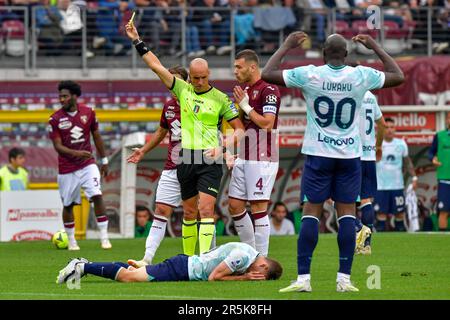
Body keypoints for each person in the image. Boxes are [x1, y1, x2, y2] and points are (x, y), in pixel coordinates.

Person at [262, 31, 405, 293]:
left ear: (323, 54)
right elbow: (398, 75)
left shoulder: (310, 73)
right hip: (350, 156)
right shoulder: (360, 75)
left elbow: (267, 73)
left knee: (311, 213)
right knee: (347, 214)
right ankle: (344, 279)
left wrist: (287, 44)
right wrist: (373, 46)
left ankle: (304, 279)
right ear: (347, 55)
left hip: (318, 154)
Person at [124, 21, 245, 255]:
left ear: (208, 74)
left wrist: (223, 147)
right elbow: (156, 66)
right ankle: (190, 260)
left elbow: (240, 130)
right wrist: (136, 40)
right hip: (185, 158)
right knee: (189, 213)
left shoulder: (221, 98)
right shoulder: (183, 90)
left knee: (207, 210)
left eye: (203, 77)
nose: (199, 82)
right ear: (190, 77)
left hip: (210, 159)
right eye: (196, 78)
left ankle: (206, 257)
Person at [127, 66, 201, 266]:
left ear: (187, 82)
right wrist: (143, 150)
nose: (171, 84)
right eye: (169, 80)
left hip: (196, 166)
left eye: (175, 80)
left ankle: (202, 257)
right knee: (160, 210)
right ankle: (147, 258)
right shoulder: (168, 106)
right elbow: (161, 132)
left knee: (194, 213)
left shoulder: (201, 102)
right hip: (172, 167)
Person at [228, 49, 281, 257]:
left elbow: (267, 124)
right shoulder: (245, 91)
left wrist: (246, 106)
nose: (235, 71)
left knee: (258, 207)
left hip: (263, 157)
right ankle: (251, 254)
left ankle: (262, 259)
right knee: (234, 206)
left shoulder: (269, 90)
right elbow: (241, 126)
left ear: (252, 67)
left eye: (238, 67)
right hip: (244, 155)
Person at [48, 80, 112, 251]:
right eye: (60, 96)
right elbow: (57, 146)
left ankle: (104, 238)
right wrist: (76, 153)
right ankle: (72, 241)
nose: (62, 99)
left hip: (87, 165)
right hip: (67, 168)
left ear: (74, 96)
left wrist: (104, 160)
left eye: (65, 96)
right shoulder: (55, 119)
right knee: (68, 205)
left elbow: (97, 136)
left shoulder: (88, 112)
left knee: (97, 195)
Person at [56, 242, 283, 284]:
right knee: (129, 278)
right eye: (259, 277)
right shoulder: (243, 257)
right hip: (181, 269)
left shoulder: (251, 251)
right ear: (263, 267)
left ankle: (87, 264)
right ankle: (81, 265)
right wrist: (244, 277)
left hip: (184, 266)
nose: (254, 277)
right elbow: (214, 278)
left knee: (133, 272)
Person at [354, 91, 386, 255]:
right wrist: (378, 146)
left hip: (351, 154)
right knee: (365, 199)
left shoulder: (347, 88)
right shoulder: (370, 96)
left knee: (339, 198)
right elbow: (382, 124)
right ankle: (365, 245)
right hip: (369, 155)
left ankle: (359, 228)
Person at [373, 117, 417, 232]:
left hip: (397, 186)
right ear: (382, 129)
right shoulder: (375, 144)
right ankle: (381, 246)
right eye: (386, 127)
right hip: (380, 187)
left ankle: (401, 247)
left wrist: (415, 177)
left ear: (395, 129)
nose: (389, 130)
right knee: (381, 219)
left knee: (399, 217)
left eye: (392, 127)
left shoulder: (401, 144)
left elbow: (407, 162)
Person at [428, 111, 450, 232]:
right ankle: (443, 238)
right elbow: (431, 152)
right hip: (444, 179)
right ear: (446, 120)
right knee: (444, 210)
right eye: (449, 118)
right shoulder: (439, 135)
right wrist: (433, 158)